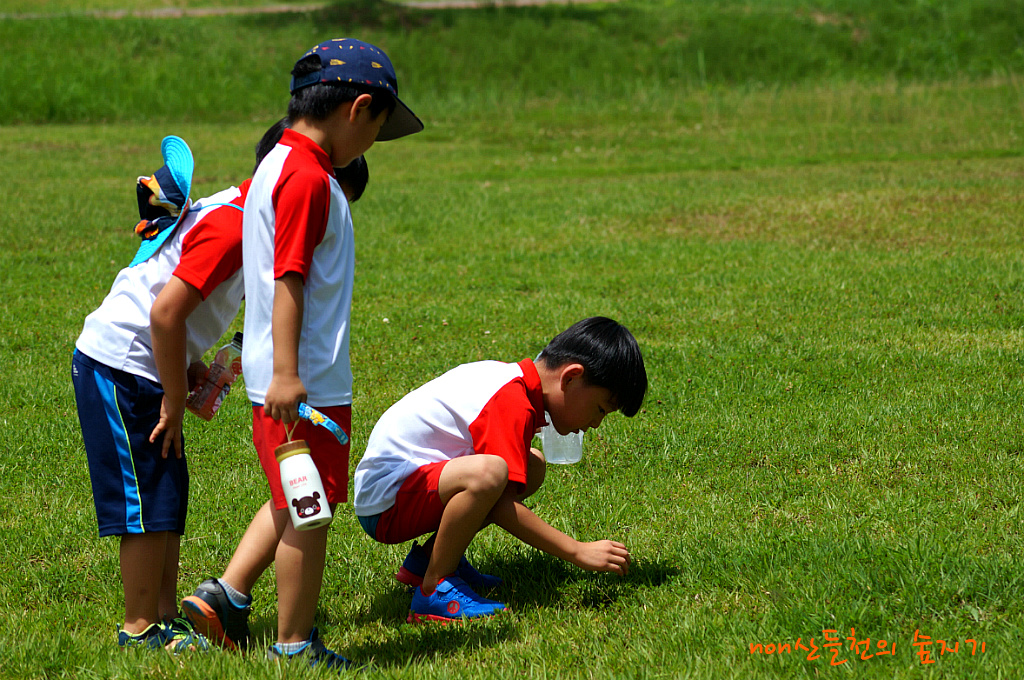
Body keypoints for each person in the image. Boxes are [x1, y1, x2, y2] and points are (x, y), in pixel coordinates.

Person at [181, 38, 422, 668]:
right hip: (303, 381)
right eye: (377, 129)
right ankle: (294, 644)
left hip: (291, 373)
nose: (371, 143)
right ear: (357, 109)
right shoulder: (308, 178)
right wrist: (288, 374)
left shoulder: (277, 163)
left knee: (296, 500)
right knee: (309, 513)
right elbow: (288, 275)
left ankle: (229, 599)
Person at [352, 316, 648, 623]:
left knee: (531, 465)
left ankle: (427, 561)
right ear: (570, 378)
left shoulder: (512, 381)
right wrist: (576, 551)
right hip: (387, 503)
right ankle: (434, 589)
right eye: (600, 409)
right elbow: (500, 504)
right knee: (490, 474)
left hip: (400, 488)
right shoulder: (512, 401)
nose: (596, 423)